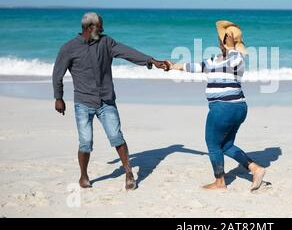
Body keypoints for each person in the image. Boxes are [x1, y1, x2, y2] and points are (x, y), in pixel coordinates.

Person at [52, 12, 169, 190]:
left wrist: (150, 60)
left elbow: (127, 52)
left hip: (106, 100)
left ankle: (128, 173)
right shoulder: (69, 48)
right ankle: (83, 175)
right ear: (89, 27)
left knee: (116, 137)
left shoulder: (106, 42)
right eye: (100, 27)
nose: (103, 29)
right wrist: (58, 97)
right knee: (86, 142)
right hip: (83, 102)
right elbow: (57, 74)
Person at [167, 20, 266, 191]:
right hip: (236, 108)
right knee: (226, 145)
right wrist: (173, 66)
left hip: (224, 108)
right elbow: (195, 67)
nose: (222, 40)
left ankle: (220, 182)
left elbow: (234, 62)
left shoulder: (237, 57)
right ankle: (255, 169)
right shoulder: (214, 60)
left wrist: (232, 45)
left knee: (212, 144)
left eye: (226, 38)